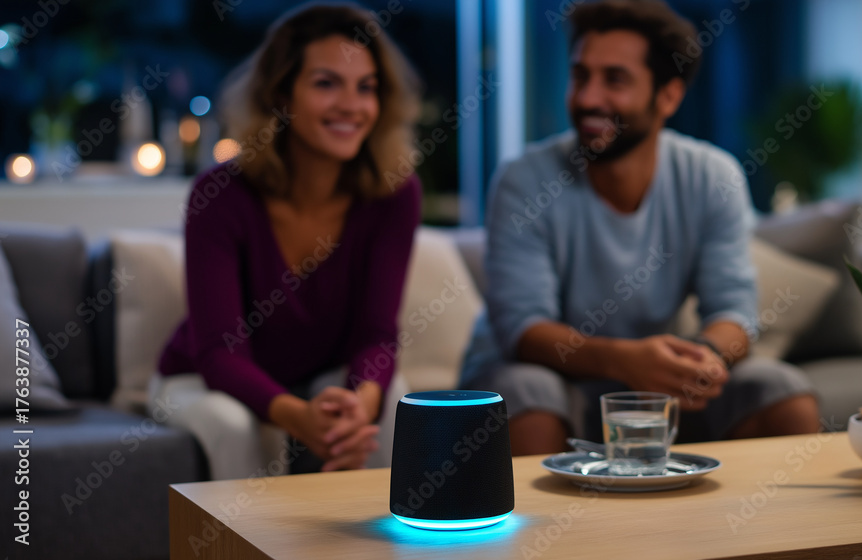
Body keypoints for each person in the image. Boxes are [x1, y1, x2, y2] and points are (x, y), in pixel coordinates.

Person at [459, 0, 820, 456]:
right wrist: (625, 361)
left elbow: (735, 314)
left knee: (780, 390)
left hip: (649, 387)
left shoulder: (712, 176)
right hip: (541, 379)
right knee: (530, 391)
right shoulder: (524, 180)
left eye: (615, 79)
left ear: (668, 96)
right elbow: (524, 330)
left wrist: (698, 360)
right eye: (580, 76)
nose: (588, 98)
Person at [151, 2, 423, 479]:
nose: (351, 105)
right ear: (280, 95)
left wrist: (360, 408)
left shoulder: (394, 194)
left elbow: (376, 335)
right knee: (236, 425)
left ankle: (377, 530)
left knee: (391, 399)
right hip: (201, 379)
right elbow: (219, 355)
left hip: (319, 377)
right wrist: (299, 418)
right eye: (326, 83)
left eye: (366, 87)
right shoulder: (219, 195)